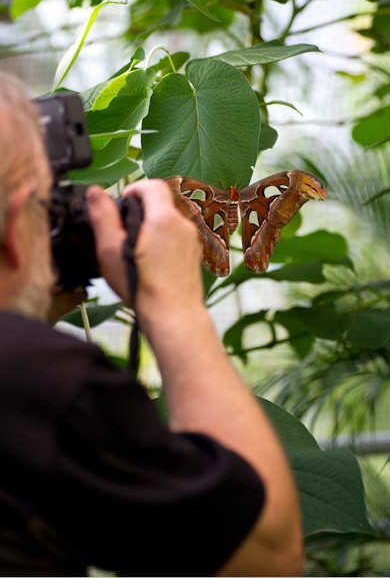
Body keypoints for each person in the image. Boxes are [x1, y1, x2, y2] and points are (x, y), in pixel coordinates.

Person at [0, 70, 303, 576]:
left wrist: (29, 304)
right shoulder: (41, 382)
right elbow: (266, 556)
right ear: (13, 225)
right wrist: (172, 302)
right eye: (43, 207)